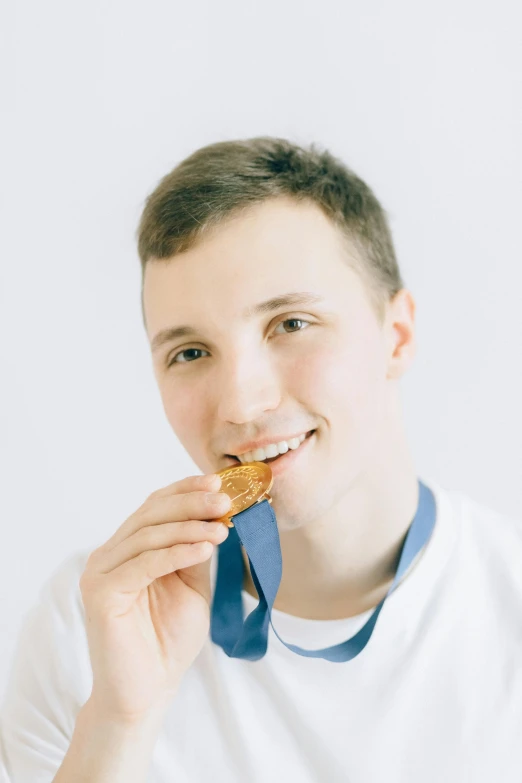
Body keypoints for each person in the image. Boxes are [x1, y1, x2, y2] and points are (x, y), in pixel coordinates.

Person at [1, 137, 521, 783]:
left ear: (397, 336)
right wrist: (120, 723)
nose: (243, 403)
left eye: (291, 323)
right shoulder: (92, 626)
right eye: (190, 352)